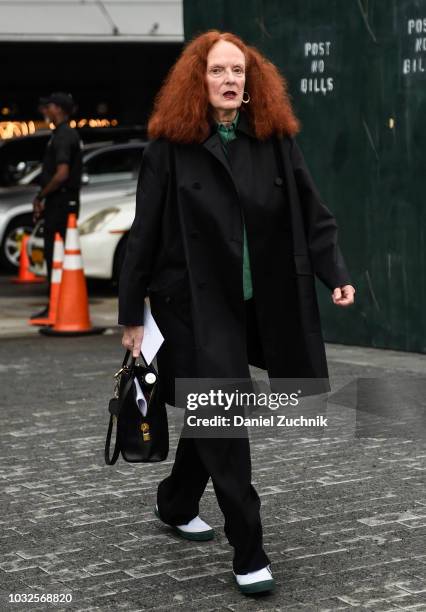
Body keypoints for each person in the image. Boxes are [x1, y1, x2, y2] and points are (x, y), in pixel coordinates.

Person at [118, 30, 355, 595]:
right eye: (219, 71)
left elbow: (310, 211)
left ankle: (175, 502)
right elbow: (142, 235)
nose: (230, 81)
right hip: (190, 304)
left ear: (252, 83)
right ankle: (249, 549)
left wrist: (335, 273)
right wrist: (131, 315)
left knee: (215, 406)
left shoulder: (272, 141)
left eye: (239, 72)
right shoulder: (167, 150)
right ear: (197, 80)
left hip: (254, 300)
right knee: (226, 407)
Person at [30, 92, 83, 319]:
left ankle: (55, 306)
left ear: (59, 109)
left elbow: (62, 174)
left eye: (48, 106)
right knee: (59, 256)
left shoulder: (63, 136)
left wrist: (41, 196)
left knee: (56, 255)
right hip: (63, 202)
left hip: (60, 203)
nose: (45, 111)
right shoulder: (65, 134)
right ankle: (57, 305)